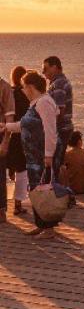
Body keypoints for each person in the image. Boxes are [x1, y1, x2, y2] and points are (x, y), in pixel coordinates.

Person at [3, 71, 63, 237]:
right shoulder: (37, 103)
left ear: (30, 87)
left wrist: (49, 154)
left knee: (44, 188)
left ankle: (49, 227)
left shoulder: (44, 103)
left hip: (42, 153)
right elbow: (24, 124)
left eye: (24, 88)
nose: (22, 91)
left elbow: (50, 130)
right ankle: (42, 224)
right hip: (34, 154)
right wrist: (6, 127)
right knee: (36, 188)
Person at [41, 56, 72, 186]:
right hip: (64, 128)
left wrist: (50, 131)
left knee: (52, 164)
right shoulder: (60, 82)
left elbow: (59, 111)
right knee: (55, 164)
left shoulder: (58, 84)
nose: (43, 72)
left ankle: (51, 194)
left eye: (45, 69)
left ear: (54, 67)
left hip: (60, 129)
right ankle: (52, 192)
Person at [6, 67, 29, 216]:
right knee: (22, 170)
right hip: (21, 134)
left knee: (6, 167)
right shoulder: (25, 94)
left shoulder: (8, 93)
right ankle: (18, 204)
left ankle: (2, 205)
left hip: (6, 133)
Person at [0, 67, 14, 221]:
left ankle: (1, 209)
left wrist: (5, 142)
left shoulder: (4, 88)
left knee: (0, 174)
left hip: (0, 134)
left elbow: (9, 118)